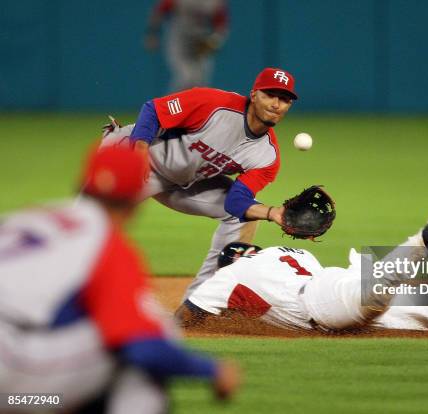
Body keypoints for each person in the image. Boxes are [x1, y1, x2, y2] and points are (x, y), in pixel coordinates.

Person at [0, 146, 240, 413]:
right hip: (9, 371)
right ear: (136, 200)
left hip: (17, 367)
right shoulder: (105, 243)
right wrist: (211, 370)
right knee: (150, 337)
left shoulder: (29, 217)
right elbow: (143, 348)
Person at [175, 206, 428, 333]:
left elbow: (186, 318)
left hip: (326, 301)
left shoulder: (229, 277)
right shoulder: (284, 255)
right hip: (338, 282)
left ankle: (423, 239)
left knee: (371, 294)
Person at [101, 67, 298, 300]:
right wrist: (139, 150)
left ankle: (201, 301)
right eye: (269, 95)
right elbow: (153, 109)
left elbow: (236, 203)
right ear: (254, 94)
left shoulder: (267, 157)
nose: (276, 104)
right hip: (134, 155)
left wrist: (272, 212)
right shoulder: (214, 103)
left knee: (243, 216)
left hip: (182, 181)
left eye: (284, 99)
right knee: (92, 225)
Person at [145, 0, 229, 92]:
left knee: (200, 80)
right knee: (186, 77)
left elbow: (221, 22)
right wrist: (152, 33)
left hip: (200, 40)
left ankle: (194, 105)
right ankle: (171, 105)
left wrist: (215, 39)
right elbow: (160, 11)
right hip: (179, 40)